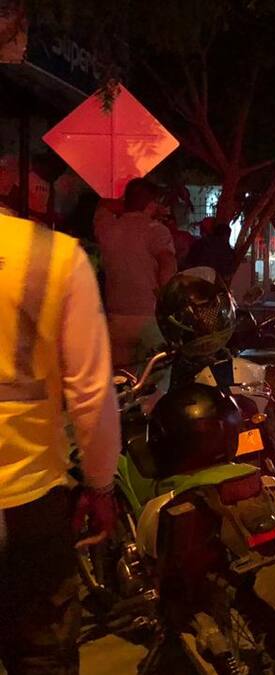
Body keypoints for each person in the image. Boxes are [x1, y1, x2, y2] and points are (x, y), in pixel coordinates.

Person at [1, 213, 121, 673]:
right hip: (29, 504)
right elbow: (92, 394)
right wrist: (100, 486)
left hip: (30, 508)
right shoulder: (55, 257)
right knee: (42, 658)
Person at [95, 178, 176, 367]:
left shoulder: (106, 227)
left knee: (122, 378)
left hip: (115, 316)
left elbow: (102, 206)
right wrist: (167, 301)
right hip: (149, 316)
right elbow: (167, 265)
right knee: (155, 377)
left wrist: (127, 203)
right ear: (151, 204)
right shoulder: (156, 230)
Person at [185, 217, 238, 285]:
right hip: (215, 285)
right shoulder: (227, 249)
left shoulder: (199, 244)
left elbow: (188, 265)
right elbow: (228, 274)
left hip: (197, 284)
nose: (201, 232)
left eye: (202, 228)